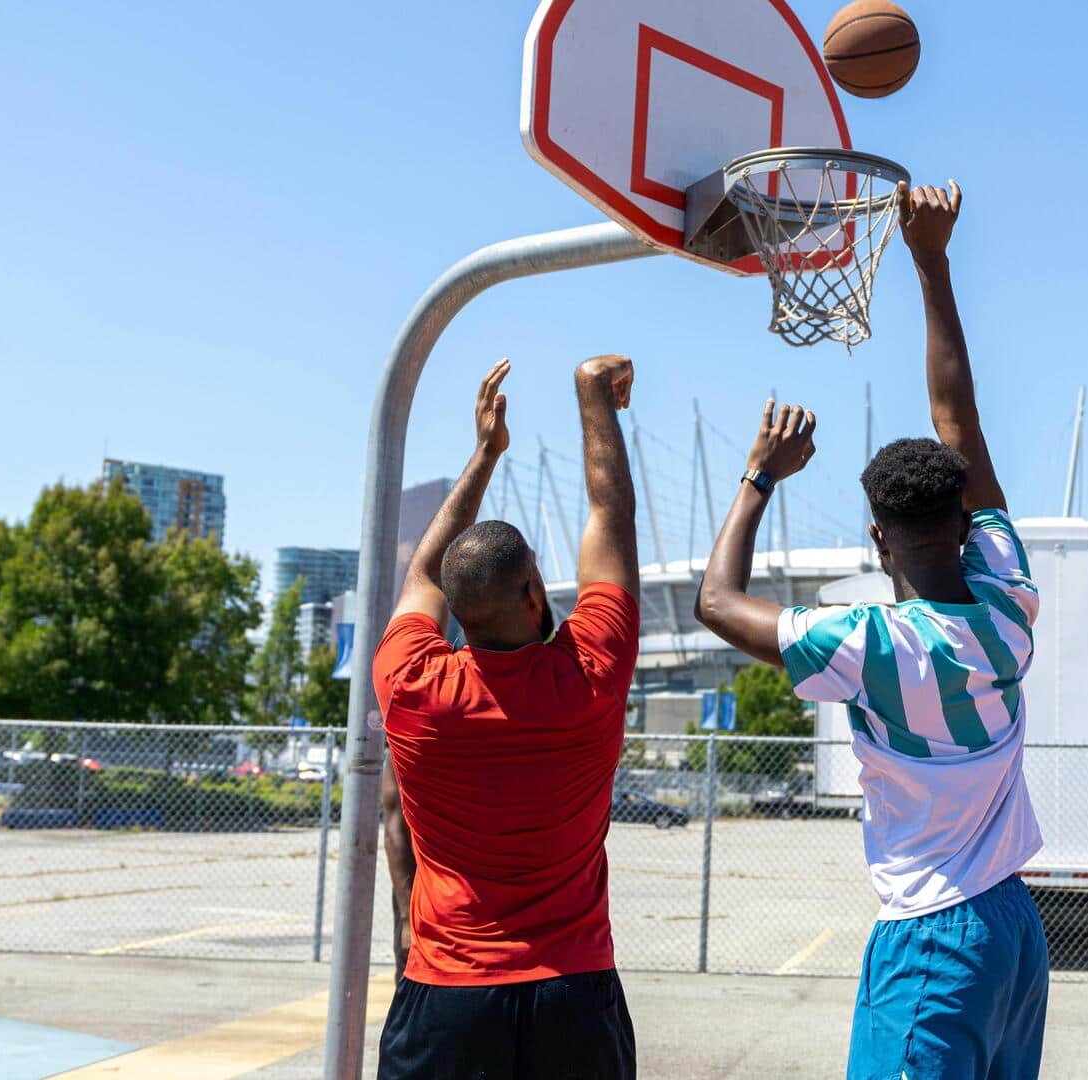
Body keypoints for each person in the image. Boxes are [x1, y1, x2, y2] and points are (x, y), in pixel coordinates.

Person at [694, 182, 1047, 1079]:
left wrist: (758, 478)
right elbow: (957, 418)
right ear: (965, 524)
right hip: (1014, 929)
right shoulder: (1008, 600)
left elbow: (716, 603)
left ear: (877, 540)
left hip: (934, 938)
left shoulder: (872, 644)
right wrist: (931, 260)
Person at [374, 355, 642, 1079]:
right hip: (573, 997)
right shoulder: (587, 676)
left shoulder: (410, 684)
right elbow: (611, 516)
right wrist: (594, 396)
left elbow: (425, 573)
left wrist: (485, 455)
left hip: (447, 999)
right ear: (532, 594)